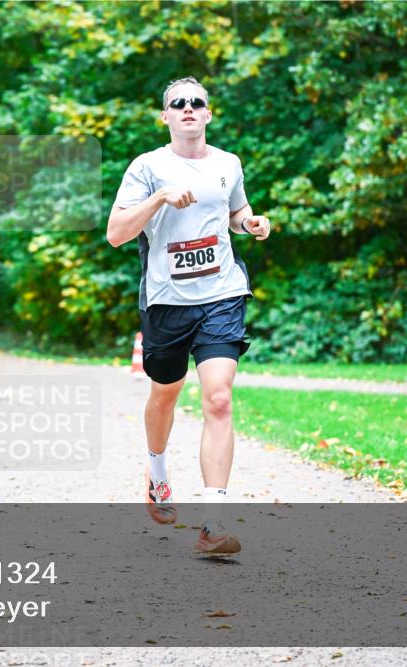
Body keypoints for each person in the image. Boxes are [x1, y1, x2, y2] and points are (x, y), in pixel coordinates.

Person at [106, 76, 272, 555]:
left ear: (208, 113)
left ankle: (213, 524)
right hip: (165, 300)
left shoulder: (228, 164)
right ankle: (157, 472)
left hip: (222, 293)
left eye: (197, 103)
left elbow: (237, 213)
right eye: (178, 103)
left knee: (218, 399)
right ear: (166, 116)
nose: (188, 109)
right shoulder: (147, 167)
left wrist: (252, 224)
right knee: (165, 394)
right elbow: (116, 233)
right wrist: (159, 197)